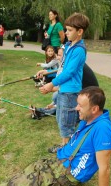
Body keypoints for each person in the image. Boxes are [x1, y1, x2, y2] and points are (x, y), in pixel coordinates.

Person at [40, 13, 90, 150]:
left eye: (69, 30)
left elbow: (69, 72)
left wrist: (52, 84)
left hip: (70, 92)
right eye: (66, 29)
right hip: (63, 89)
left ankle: (68, 150)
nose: (66, 33)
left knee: (67, 123)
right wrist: (48, 73)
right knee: (60, 119)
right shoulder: (69, 46)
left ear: (79, 32)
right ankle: (65, 145)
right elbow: (62, 68)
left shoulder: (79, 50)